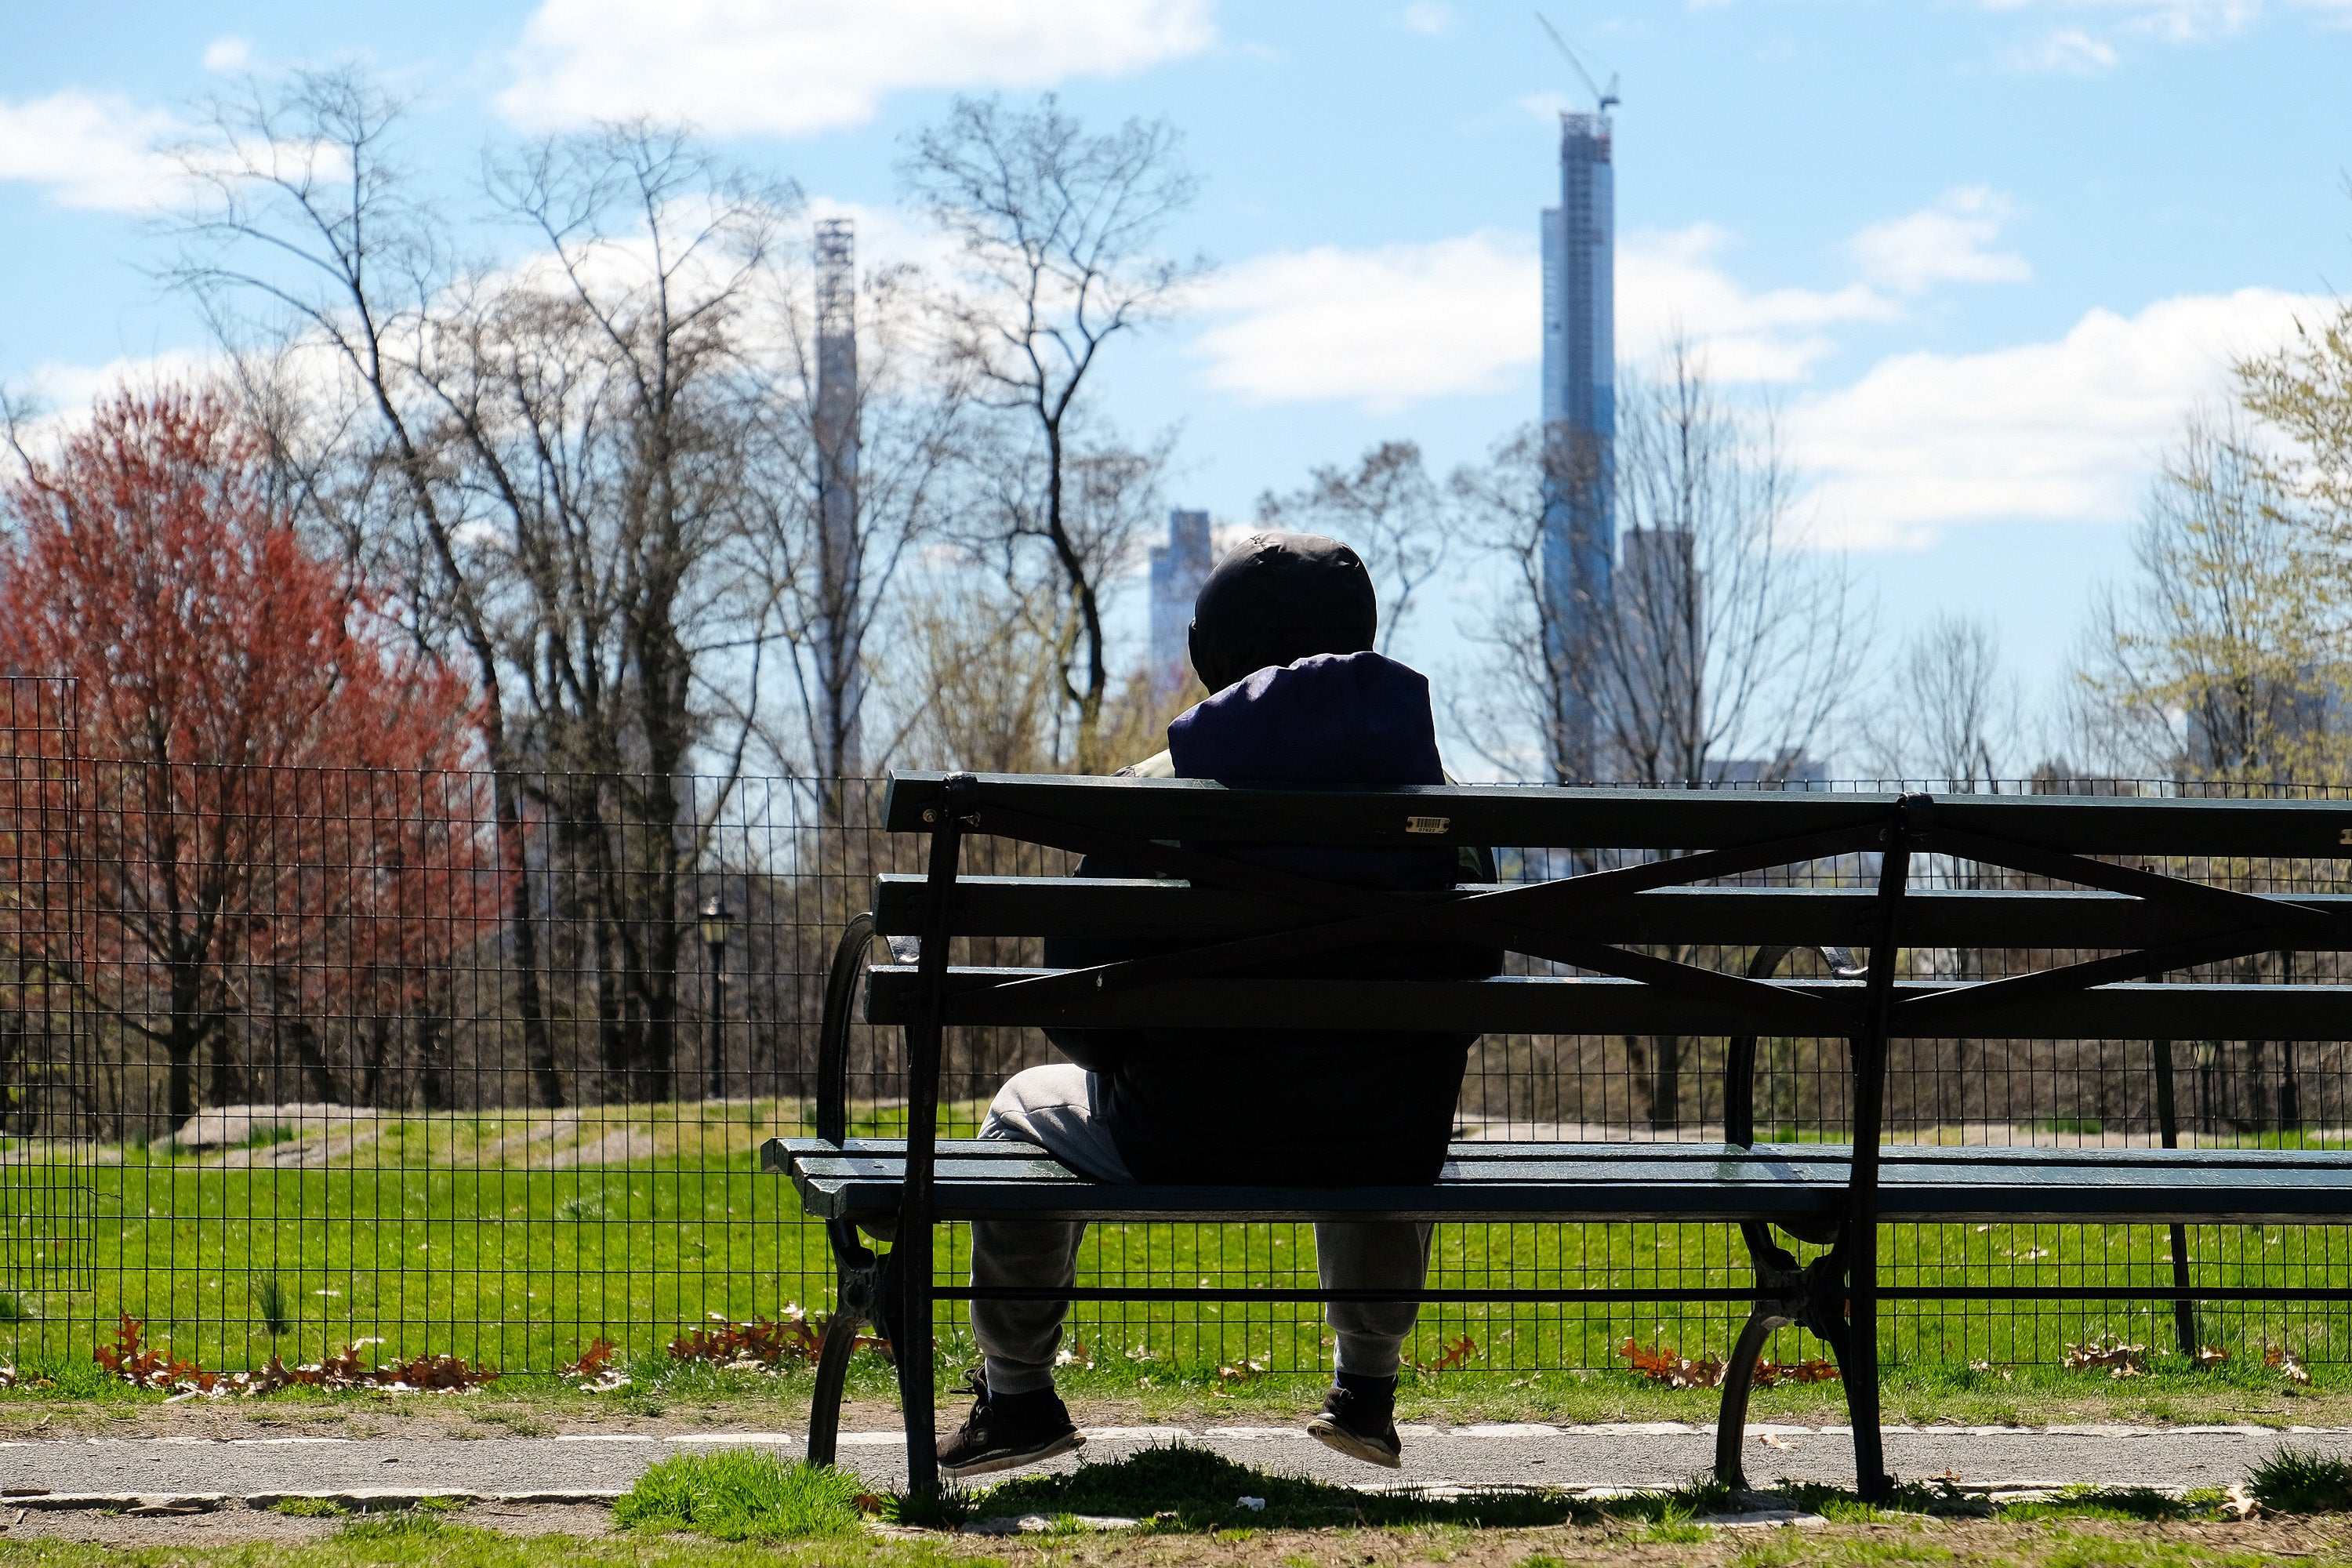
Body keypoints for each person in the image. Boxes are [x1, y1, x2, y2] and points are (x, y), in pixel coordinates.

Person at [937, 532, 1501, 1479]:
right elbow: (1467, 986)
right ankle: (1365, 1392)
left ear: (1217, 649)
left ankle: (1019, 1395)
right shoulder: (1439, 806)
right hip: (1378, 1136)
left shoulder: (1160, 790)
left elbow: (1074, 1005)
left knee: (1018, 1107)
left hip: (1180, 1130)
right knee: (1386, 1090)